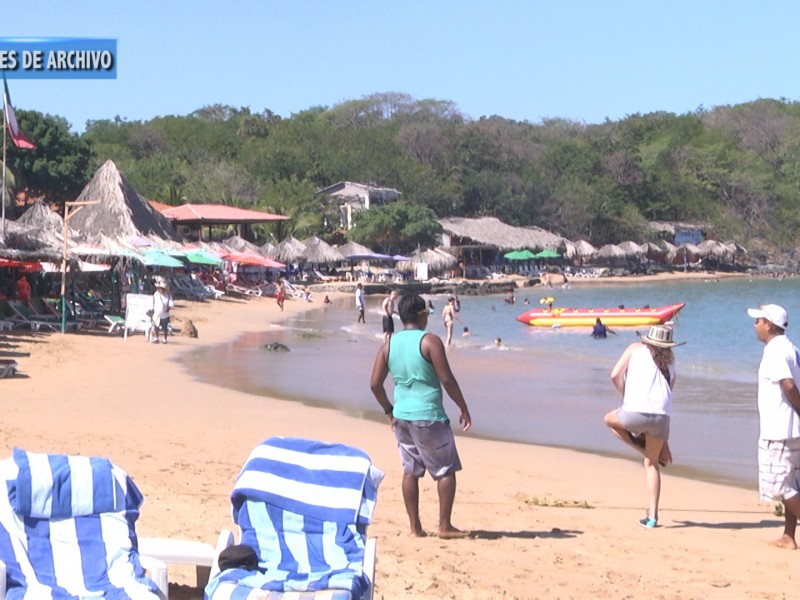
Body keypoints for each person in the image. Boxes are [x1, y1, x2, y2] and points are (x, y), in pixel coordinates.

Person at [369, 293, 472, 539]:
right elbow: (447, 379)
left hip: (402, 417)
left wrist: (389, 411)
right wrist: (463, 407)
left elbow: (375, 384)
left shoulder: (389, 344)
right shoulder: (430, 341)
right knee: (445, 470)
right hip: (429, 416)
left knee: (411, 471)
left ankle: (415, 528)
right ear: (421, 315)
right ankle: (444, 526)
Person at [604, 324, 684, 528]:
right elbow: (666, 399)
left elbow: (614, 375)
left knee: (609, 420)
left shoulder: (634, 348)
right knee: (652, 464)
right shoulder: (671, 363)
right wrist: (665, 444)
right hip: (662, 419)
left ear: (648, 339)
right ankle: (652, 518)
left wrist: (626, 395)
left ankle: (642, 448)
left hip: (634, 412)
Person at [747, 304, 800, 549]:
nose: (755, 324)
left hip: (780, 430)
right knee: (792, 482)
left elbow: (788, 385)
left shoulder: (776, 351)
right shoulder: (791, 349)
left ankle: (790, 534)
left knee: (780, 485)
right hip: (791, 429)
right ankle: (789, 536)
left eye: (758, 320)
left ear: (769, 324)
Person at [151, 277, 175, 344]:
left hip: (165, 315)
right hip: (157, 314)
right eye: (159, 288)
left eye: (161, 289)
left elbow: (172, 304)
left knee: (165, 328)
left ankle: (165, 339)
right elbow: (153, 302)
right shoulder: (156, 294)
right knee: (156, 326)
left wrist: (168, 308)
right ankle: (156, 338)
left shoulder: (168, 296)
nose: (160, 290)